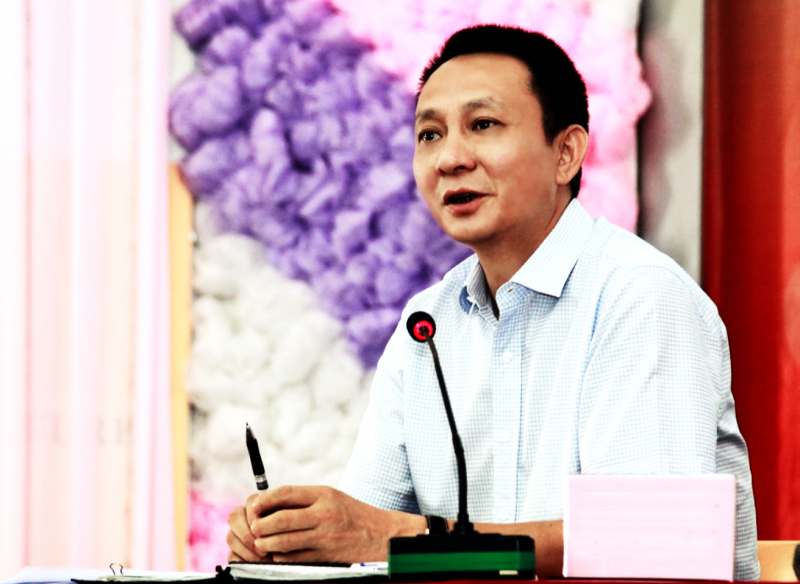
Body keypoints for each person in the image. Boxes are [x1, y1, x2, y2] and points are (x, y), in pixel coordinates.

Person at [226, 25, 760, 580]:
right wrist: (298, 541)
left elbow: (649, 543)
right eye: (430, 134)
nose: (450, 158)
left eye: (483, 125)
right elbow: (362, 540)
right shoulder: (427, 324)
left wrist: (390, 536)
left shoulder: (637, 295)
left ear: (566, 153)